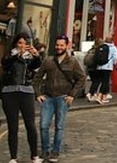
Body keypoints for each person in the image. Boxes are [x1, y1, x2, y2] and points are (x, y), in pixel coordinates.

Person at [34, 35, 86, 163]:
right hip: (48, 97)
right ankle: (45, 151)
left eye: (61, 45)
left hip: (63, 98)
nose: (58, 47)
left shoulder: (72, 62)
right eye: (57, 45)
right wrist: (38, 94)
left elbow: (81, 78)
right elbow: (37, 78)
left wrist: (72, 94)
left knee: (59, 126)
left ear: (67, 46)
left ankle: (55, 152)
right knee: (43, 126)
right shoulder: (48, 60)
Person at [1, 33, 42, 163]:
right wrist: (17, 55)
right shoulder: (9, 56)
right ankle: (13, 157)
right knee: (13, 127)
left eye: (24, 43)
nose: (22, 46)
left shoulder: (29, 58)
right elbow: (6, 65)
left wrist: (36, 56)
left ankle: (34, 155)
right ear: (15, 44)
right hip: (10, 92)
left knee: (30, 125)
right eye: (20, 43)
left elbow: (35, 67)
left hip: (26, 91)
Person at [94, 34, 117, 105]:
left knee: (99, 81)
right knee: (105, 82)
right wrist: (113, 64)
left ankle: (102, 96)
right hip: (108, 67)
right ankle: (100, 96)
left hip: (99, 67)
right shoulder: (113, 48)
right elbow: (115, 58)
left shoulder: (101, 47)